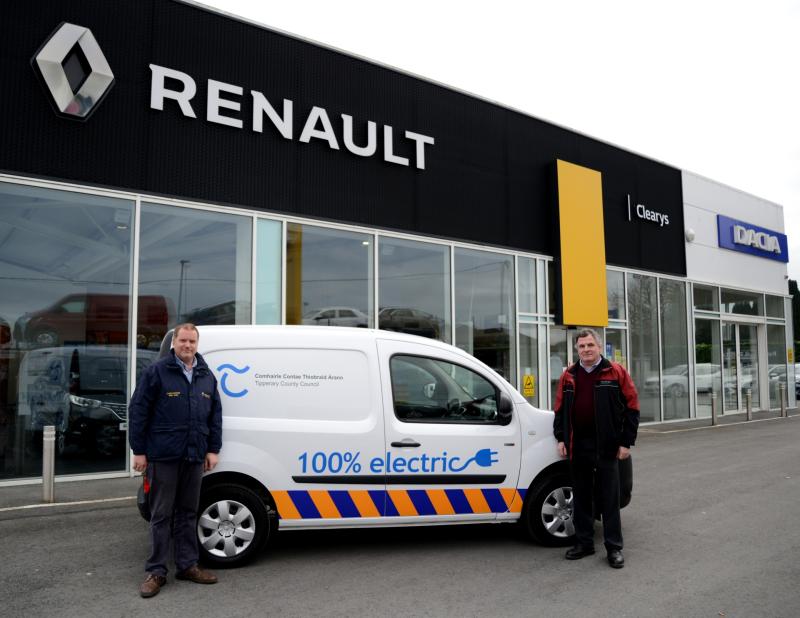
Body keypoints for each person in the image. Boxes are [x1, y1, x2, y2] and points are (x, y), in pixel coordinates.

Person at [129, 323, 223, 598]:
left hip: (195, 456)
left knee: (188, 513)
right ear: (174, 343)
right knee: (161, 515)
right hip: (163, 456)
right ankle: (156, 571)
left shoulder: (206, 376)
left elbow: (214, 416)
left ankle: (187, 565)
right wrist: (139, 450)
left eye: (192, 341)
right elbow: (138, 411)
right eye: (183, 340)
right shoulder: (157, 372)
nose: (188, 346)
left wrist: (212, 449)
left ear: (197, 344)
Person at [553, 328, 639, 569]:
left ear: (599, 347)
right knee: (581, 497)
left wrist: (626, 442)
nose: (586, 350)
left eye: (590, 345)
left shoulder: (616, 372)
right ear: (577, 350)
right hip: (578, 445)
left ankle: (614, 548)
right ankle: (584, 543)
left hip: (607, 447)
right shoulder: (568, 375)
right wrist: (561, 438)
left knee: (609, 498)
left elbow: (632, 407)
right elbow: (559, 409)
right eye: (581, 346)